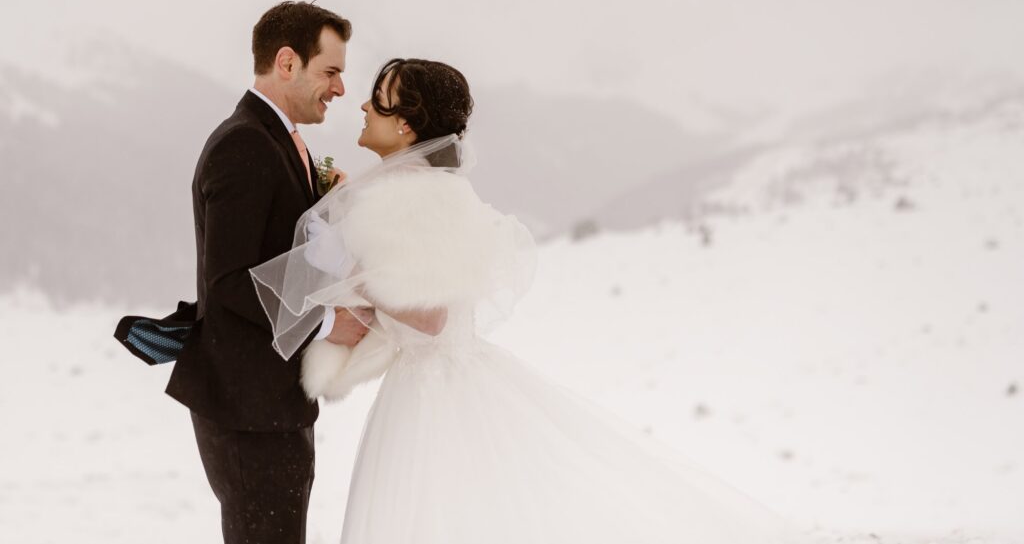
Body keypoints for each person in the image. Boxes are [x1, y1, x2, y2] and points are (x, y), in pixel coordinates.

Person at [251, 58, 813, 544]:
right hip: (446, 381)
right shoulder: (426, 190)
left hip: (432, 397)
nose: (364, 108)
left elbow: (427, 313)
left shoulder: (409, 197)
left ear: (403, 126)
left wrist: (347, 266)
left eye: (378, 101)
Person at [165, 1, 373, 544]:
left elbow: (276, 254)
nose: (339, 89)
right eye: (330, 72)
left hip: (268, 404)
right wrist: (329, 324)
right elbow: (230, 283)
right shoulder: (245, 144)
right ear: (287, 62)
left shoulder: (275, 139)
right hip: (246, 409)